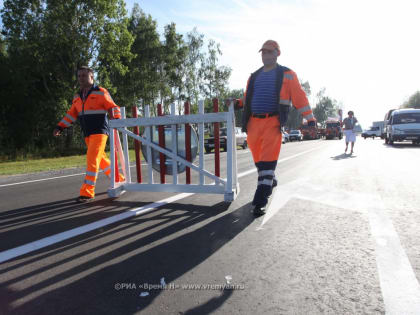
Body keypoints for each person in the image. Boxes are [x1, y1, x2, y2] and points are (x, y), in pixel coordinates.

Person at [236, 40, 316, 216]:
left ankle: (260, 201)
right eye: (263, 52)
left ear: (277, 54)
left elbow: (299, 97)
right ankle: (270, 180)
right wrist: (237, 103)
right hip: (253, 125)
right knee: (259, 162)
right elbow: (247, 97)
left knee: (267, 164)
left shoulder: (287, 74)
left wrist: (309, 118)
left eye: (269, 52)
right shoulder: (254, 76)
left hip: (273, 123)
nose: (265, 55)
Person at [53, 66, 123, 202]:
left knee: (92, 159)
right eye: (79, 76)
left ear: (92, 77)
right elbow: (71, 114)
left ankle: (87, 192)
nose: (81, 78)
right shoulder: (77, 97)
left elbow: (113, 107)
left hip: (100, 132)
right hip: (87, 134)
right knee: (101, 160)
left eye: (84, 76)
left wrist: (117, 120)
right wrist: (60, 126)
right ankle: (119, 179)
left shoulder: (101, 92)